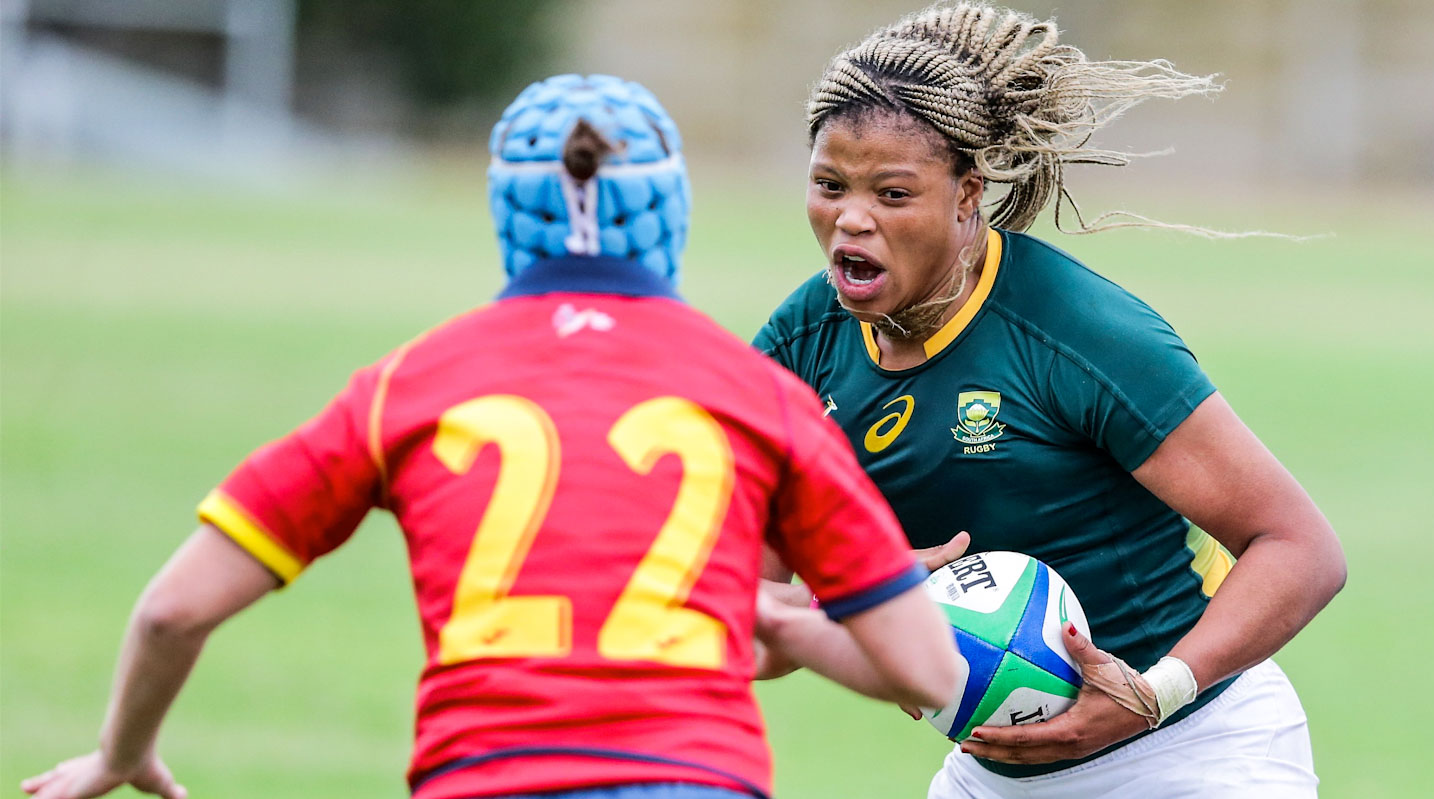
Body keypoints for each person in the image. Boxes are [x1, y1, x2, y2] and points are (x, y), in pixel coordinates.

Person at [21, 74, 961, 799]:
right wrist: (761, 614)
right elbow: (921, 667)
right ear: (670, 211)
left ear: (506, 213)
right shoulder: (761, 394)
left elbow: (171, 611)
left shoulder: (408, 386)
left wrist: (123, 748)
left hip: (486, 773)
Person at [753, 4, 1347, 797]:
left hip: (1194, 748)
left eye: (893, 194)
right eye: (830, 185)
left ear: (968, 195)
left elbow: (1301, 548)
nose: (850, 219)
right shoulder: (803, 343)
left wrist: (1152, 692)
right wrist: (853, 598)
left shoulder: (1075, 329)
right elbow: (738, 595)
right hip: (992, 773)